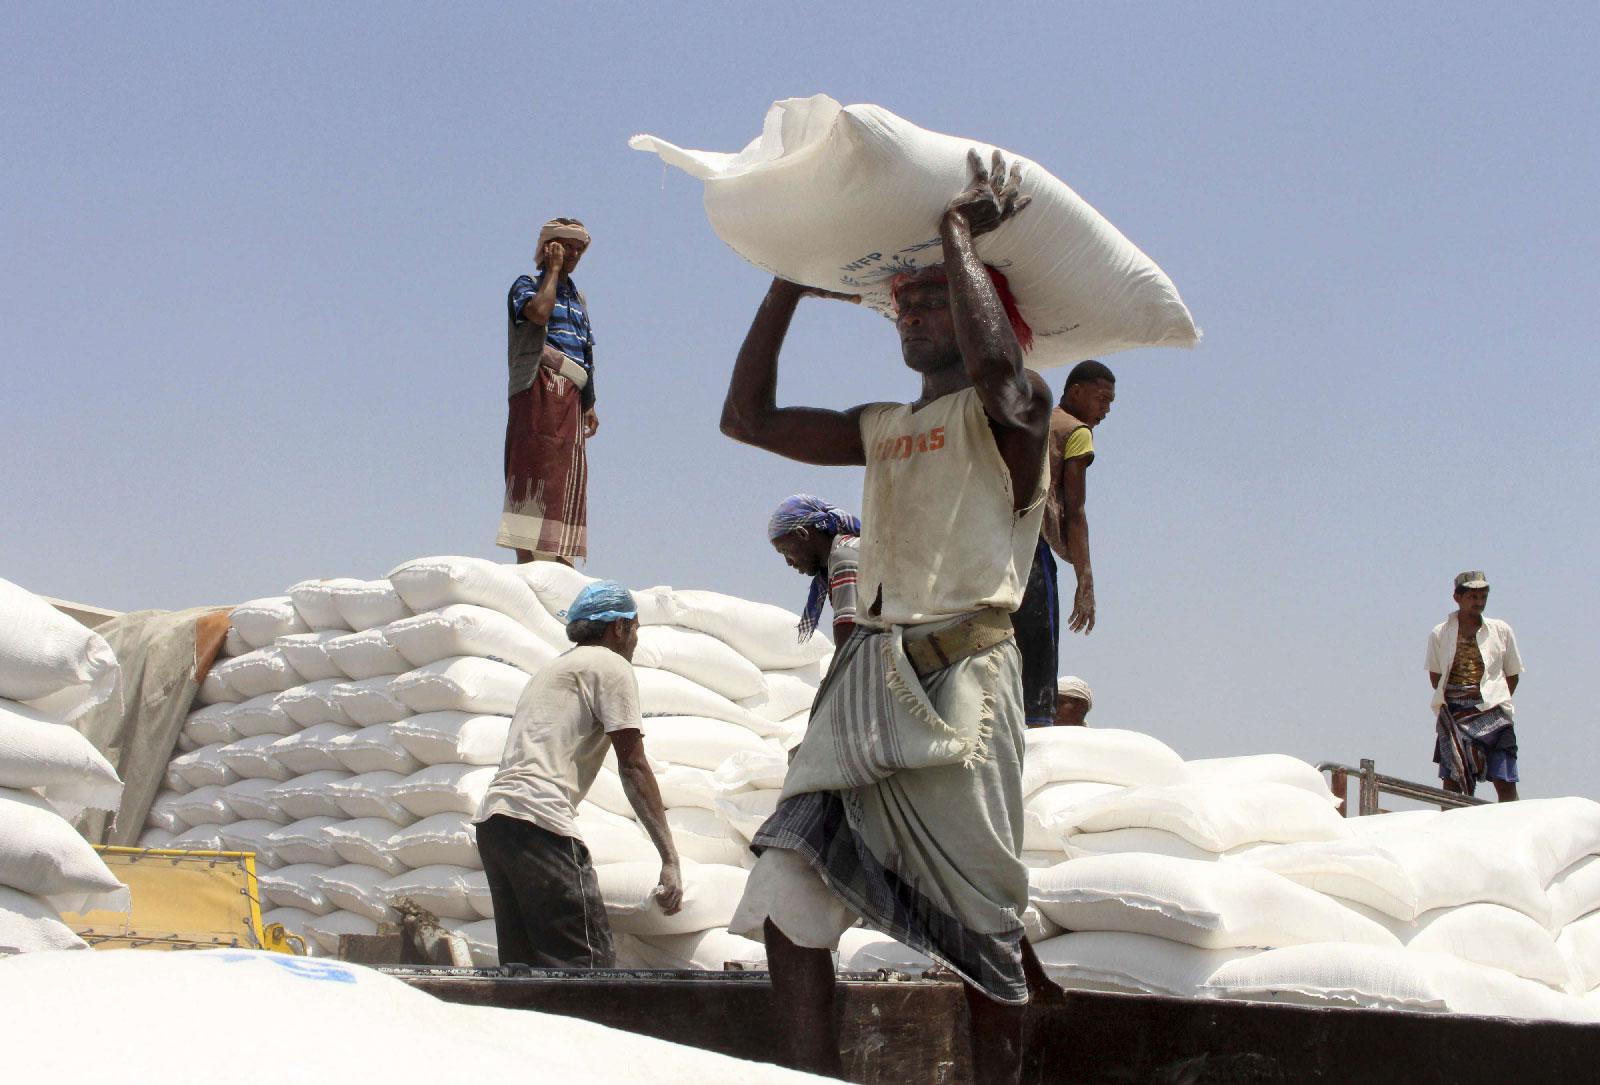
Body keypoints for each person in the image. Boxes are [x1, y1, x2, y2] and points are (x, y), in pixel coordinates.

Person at [720, 149, 1058, 1084]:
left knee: (982, 928)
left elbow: (999, 375)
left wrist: (957, 231)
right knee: (789, 878)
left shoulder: (1021, 414)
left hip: (963, 699)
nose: (911, 314)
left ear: (984, 310)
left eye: (934, 300)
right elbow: (745, 418)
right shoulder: (879, 426)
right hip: (868, 683)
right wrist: (790, 284)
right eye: (902, 306)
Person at [473, 580, 682, 967]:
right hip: (540, 823)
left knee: (525, 971)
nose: (636, 639)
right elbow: (633, 765)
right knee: (586, 968)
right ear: (618, 627)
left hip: (496, 823)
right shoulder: (611, 665)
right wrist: (670, 859)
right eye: (635, 628)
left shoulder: (554, 668)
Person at [1012, 360, 1115, 727]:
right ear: (1075, 391)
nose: (1106, 409)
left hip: (1001, 543)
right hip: (1033, 547)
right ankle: (1038, 727)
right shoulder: (1077, 432)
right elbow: (1076, 510)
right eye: (1102, 399)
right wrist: (1085, 583)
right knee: (1040, 655)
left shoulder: (1041, 424)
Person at [498, 217, 601, 565]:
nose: (572, 253)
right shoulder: (527, 284)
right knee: (534, 470)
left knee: (565, 480)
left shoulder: (578, 299)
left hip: (572, 394)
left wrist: (589, 403)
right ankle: (529, 565)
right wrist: (552, 270)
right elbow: (539, 314)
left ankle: (561, 566)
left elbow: (585, 350)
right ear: (547, 248)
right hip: (539, 384)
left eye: (577, 248)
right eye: (564, 245)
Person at [1427, 571, 1524, 801]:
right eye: (1473, 597)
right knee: (1453, 779)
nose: (1478, 602)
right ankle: (1452, 830)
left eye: (1483, 597)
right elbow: (1435, 677)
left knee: (1505, 778)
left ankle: (1512, 829)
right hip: (1455, 713)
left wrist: (1492, 700)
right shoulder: (1440, 633)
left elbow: (1512, 674)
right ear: (1457, 597)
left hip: (1494, 713)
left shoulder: (1501, 630)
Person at [766, 494, 862, 644]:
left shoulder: (844, 558)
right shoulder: (846, 552)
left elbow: (848, 643)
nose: (788, 562)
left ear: (802, 533)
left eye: (785, 550)